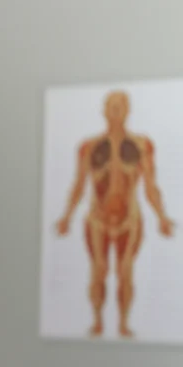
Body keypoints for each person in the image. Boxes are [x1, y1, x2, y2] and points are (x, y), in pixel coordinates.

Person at [55, 89, 174, 338]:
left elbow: (151, 185)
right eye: (111, 106)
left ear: (128, 110)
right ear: (104, 111)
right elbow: (79, 184)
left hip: (129, 218)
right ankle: (97, 321)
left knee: (125, 270)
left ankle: (123, 323)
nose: (115, 111)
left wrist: (161, 216)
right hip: (97, 218)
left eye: (120, 106)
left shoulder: (142, 145)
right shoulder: (89, 147)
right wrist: (67, 215)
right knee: (98, 268)